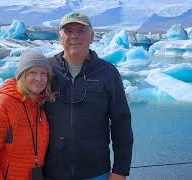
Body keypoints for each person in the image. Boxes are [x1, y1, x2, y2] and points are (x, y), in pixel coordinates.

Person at [44, 12, 133, 180]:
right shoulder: (46, 70)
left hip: (95, 172)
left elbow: (121, 122)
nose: (74, 36)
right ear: (60, 36)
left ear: (92, 36)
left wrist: (121, 170)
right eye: (68, 31)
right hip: (51, 172)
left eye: (81, 30)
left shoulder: (107, 72)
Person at [0, 50, 55, 179]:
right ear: (21, 75)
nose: (39, 79)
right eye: (32, 72)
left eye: (43, 73)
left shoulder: (39, 104)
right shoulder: (2, 105)